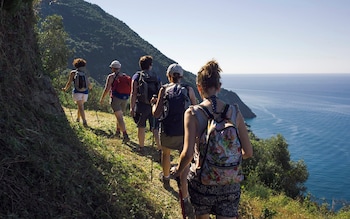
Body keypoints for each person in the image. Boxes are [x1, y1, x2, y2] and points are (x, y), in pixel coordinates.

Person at [170, 60, 253, 219]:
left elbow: (187, 154)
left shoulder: (193, 113)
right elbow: (248, 152)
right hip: (230, 183)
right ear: (219, 86)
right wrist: (225, 157)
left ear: (199, 87)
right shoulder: (234, 111)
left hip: (202, 181)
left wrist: (178, 171)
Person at [152, 63, 197, 216]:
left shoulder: (163, 90)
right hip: (184, 133)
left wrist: (153, 104)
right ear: (182, 76)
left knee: (166, 154)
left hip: (168, 131)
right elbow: (196, 109)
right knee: (183, 165)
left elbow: (156, 114)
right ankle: (185, 197)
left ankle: (166, 179)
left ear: (168, 76)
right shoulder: (188, 89)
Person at [130, 55, 161, 152]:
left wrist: (132, 107)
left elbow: (133, 93)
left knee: (141, 126)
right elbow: (161, 91)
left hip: (141, 105)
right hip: (154, 105)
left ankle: (141, 147)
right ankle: (160, 149)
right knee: (155, 128)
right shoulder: (156, 76)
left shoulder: (137, 76)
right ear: (150, 65)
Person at [99, 60, 130, 143]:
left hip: (115, 98)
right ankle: (117, 131)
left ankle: (125, 134)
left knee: (119, 117)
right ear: (119, 68)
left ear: (112, 68)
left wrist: (102, 98)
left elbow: (107, 88)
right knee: (119, 116)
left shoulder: (111, 76)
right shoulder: (125, 76)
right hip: (125, 98)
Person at [62, 58, 92, 127]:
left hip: (77, 92)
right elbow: (89, 83)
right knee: (81, 106)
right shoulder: (85, 73)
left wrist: (65, 89)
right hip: (85, 92)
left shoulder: (73, 73)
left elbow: (69, 82)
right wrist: (90, 88)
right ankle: (78, 119)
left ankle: (84, 121)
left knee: (80, 106)